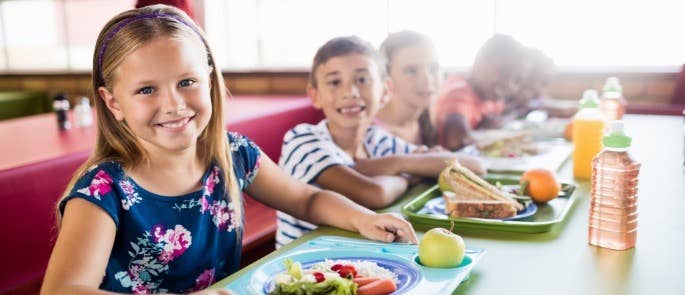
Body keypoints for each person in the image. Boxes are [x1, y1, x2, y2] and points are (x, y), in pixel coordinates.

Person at [40, 5, 417, 295]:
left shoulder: (233, 153)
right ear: (112, 102)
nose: (173, 104)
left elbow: (307, 199)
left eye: (186, 82)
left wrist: (363, 219)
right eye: (146, 90)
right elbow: (63, 290)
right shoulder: (103, 190)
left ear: (209, 80)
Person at [275, 36, 485, 248]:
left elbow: (473, 166)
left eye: (362, 79)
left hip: (360, 256)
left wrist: (397, 163)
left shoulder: (375, 139)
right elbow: (373, 193)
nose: (350, 92)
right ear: (315, 94)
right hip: (304, 266)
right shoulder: (302, 140)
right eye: (335, 82)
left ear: (385, 91)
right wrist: (410, 171)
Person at [433, 34, 527, 150]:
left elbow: (499, 118)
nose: (508, 85)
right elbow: (455, 141)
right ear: (480, 61)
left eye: (516, 80)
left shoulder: (490, 97)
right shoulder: (459, 94)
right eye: (503, 72)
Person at [375, 30, 441, 147]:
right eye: (411, 71)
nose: (427, 80)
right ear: (386, 77)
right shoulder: (372, 134)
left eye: (433, 68)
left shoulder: (427, 120)